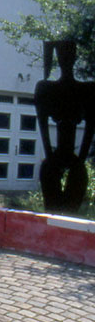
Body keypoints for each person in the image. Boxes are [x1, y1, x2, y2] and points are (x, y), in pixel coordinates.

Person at [35, 41, 94, 213]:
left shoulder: (87, 90)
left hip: (69, 159)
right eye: (63, 56)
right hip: (58, 157)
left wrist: (79, 163)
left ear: (74, 58)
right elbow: (43, 125)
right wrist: (51, 159)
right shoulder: (46, 88)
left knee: (70, 210)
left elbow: (90, 128)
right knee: (52, 207)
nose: (66, 60)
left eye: (69, 56)